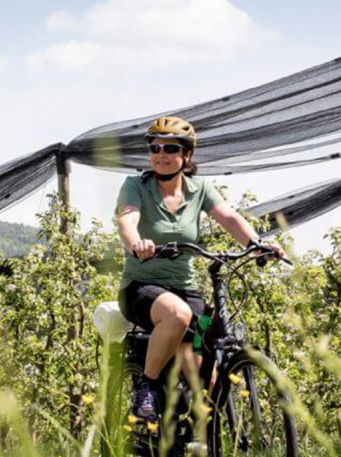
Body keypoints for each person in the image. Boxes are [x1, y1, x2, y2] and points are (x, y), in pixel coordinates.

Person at [117, 115, 281, 428]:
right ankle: (147, 388)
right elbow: (127, 220)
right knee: (178, 315)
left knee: (209, 329)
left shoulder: (200, 188)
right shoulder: (136, 186)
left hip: (187, 291)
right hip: (141, 288)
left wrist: (258, 244)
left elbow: (229, 218)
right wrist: (137, 243)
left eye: (170, 148)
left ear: (187, 155)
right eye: (155, 148)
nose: (161, 154)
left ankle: (198, 432)